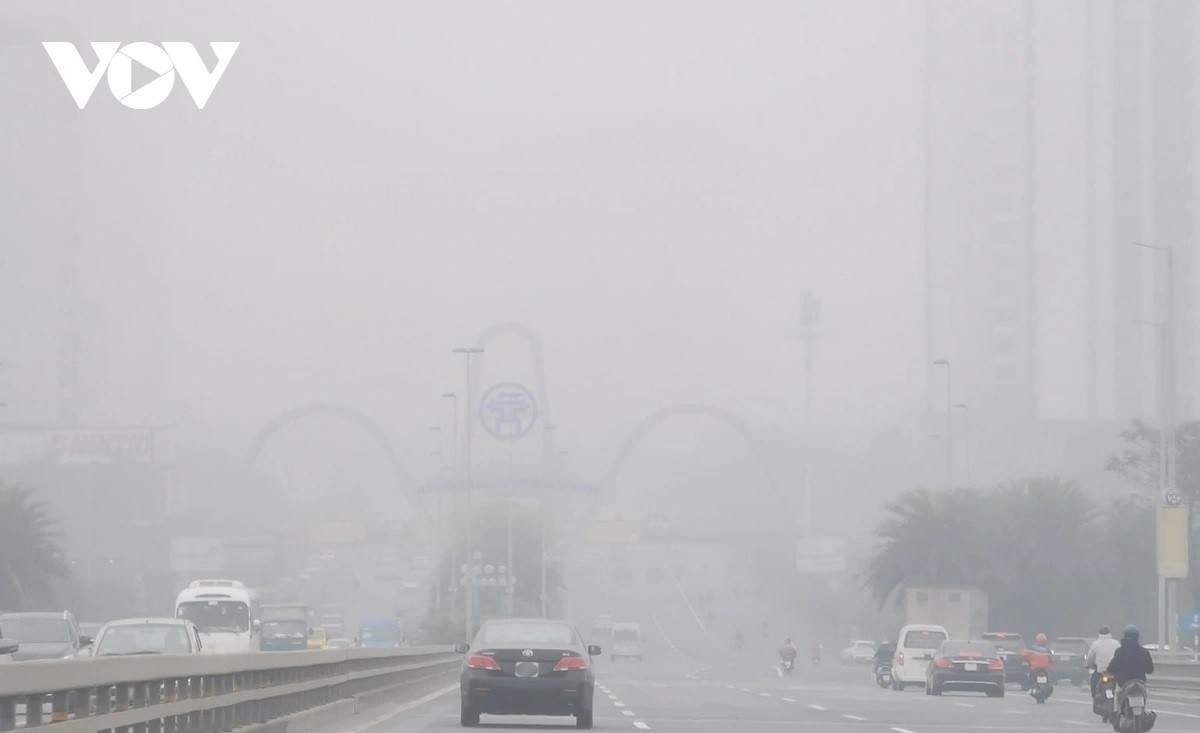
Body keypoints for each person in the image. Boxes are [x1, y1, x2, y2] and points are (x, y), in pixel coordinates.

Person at [1086, 626, 1120, 698]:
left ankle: (1095, 699)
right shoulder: (1116, 644)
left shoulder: (1095, 644)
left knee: (1094, 683)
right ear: (1109, 633)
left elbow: (1090, 657)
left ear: (1099, 634)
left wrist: (1088, 665)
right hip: (1113, 672)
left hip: (1100, 672)